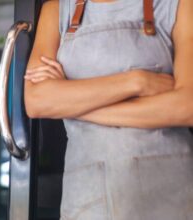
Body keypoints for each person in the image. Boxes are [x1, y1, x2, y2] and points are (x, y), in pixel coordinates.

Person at [24, 0, 193, 219]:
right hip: (87, 197)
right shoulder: (56, 11)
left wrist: (70, 105)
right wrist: (136, 81)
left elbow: (187, 107)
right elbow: (37, 102)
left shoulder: (179, 4)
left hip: (169, 192)